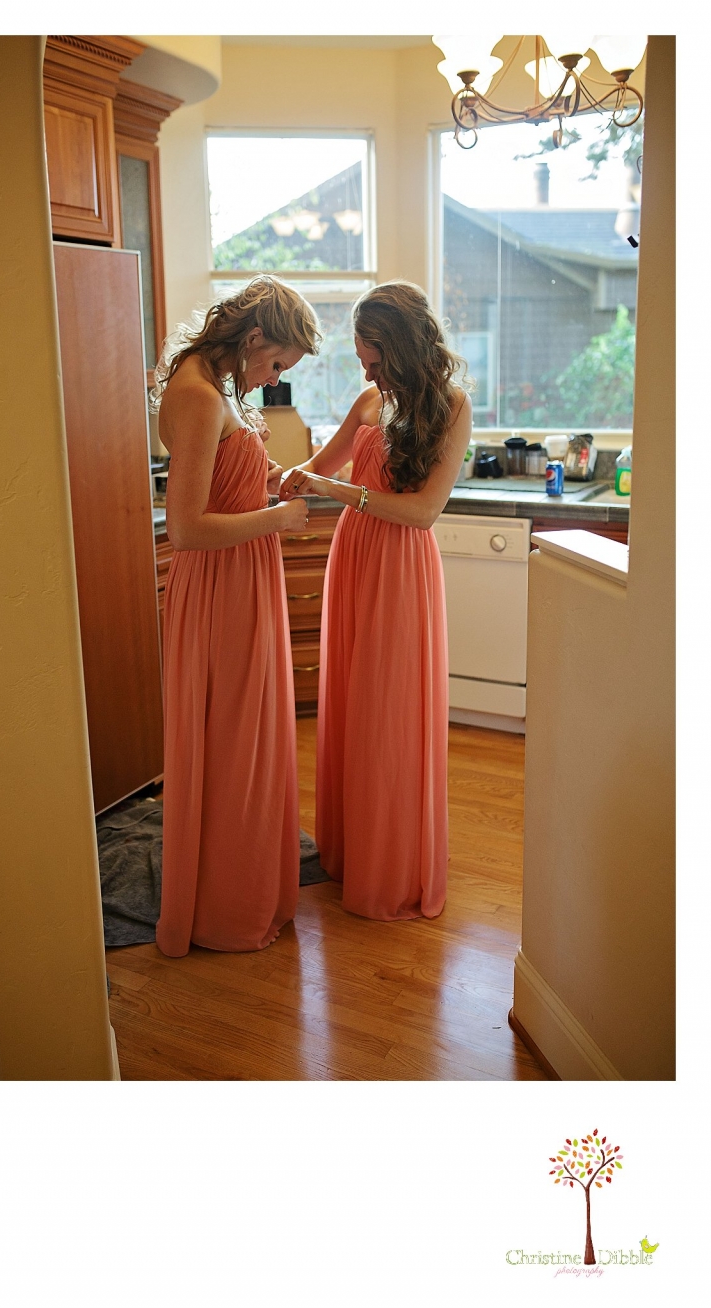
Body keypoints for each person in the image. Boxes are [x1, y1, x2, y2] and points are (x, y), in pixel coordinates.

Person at [279, 281, 472, 921]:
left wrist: (344, 495)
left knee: (389, 713)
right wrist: (279, 475)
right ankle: (352, 848)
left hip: (400, 567)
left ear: (401, 349)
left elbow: (421, 513)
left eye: (372, 357)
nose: (365, 369)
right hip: (353, 560)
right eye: (363, 359)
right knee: (354, 704)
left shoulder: (451, 407)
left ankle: (391, 863)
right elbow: (320, 465)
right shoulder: (369, 400)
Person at [152, 276, 321, 956]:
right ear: (254, 338)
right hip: (221, 587)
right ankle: (225, 908)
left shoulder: (213, 385)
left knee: (246, 740)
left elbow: (223, 482)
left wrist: (269, 481)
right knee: (233, 747)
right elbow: (187, 529)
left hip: (242, 578)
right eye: (277, 363)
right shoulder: (195, 394)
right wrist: (277, 518)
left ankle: (248, 884)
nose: (275, 377)